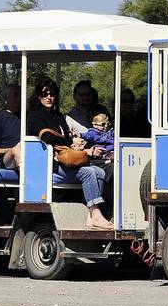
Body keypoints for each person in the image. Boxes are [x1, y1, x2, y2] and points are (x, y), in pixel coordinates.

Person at [31, 78, 114, 230]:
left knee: (100, 171)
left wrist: (71, 141)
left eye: (52, 94)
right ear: (38, 96)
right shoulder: (35, 116)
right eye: (45, 94)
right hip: (52, 163)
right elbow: (47, 138)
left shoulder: (58, 116)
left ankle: (91, 217)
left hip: (68, 159)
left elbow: (65, 137)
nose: (49, 97)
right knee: (88, 172)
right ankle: (96, 214)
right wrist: (69, 141)